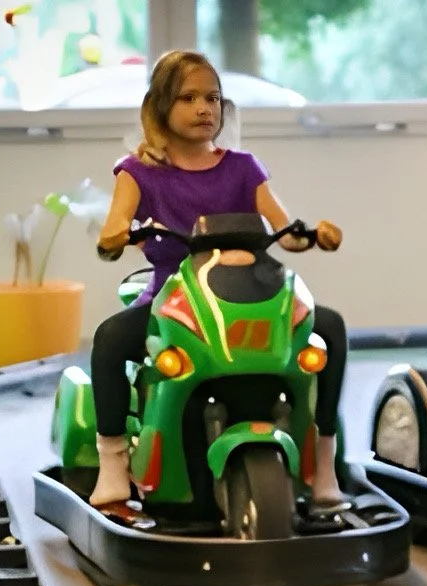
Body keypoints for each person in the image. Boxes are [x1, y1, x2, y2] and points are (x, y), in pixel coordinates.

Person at [91, 50, 350, 516]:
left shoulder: (243, 168)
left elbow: (285, 232)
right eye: (188, 98)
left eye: (212, 98)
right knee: (111, 340)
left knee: (329, 328)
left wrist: (313, 236)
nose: (203, 108)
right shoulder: (138, 172)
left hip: (252, 292)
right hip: (176, 296)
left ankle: (325, 461)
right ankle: (112, 467)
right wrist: (114, 236)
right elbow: (115, 228)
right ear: (160, 107)